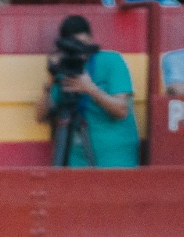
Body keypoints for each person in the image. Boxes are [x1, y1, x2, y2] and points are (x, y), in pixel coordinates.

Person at [33, 15, 139, 169]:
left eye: (82, 44)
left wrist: (90, 88)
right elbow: (40, 116)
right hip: (77, 162)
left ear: (91, 40)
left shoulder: (112, 61)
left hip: (116, 161)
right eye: (73, 46)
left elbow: (121, 110)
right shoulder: (65, 70)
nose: (80, 50)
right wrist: (51, 77)